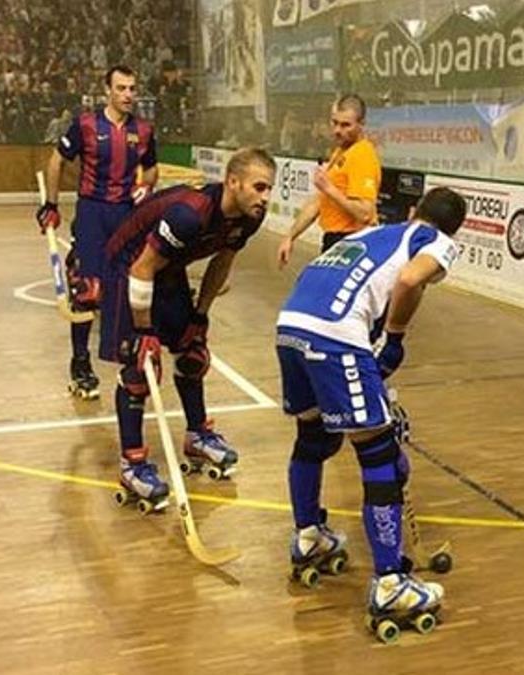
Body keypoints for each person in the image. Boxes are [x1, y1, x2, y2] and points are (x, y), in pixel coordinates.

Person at [274, 187, 466, 627]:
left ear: (414, 211)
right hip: (334, 334)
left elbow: (316, 275)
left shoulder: (373, 233)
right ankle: (390, 584)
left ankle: (309, 538)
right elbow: (409, 280)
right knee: (378, 453)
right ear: (456, 230)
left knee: (313, 437)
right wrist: (394, 338)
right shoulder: (435, 241)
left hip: (290, 325)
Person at [103, 147, 277, 511]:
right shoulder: (189, 215)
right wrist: (144, 332)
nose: (265, 197)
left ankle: (197, 434)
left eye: (269, 189)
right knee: (141, 367)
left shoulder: (247, 218)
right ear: (233, 182)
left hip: (168, 270)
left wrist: (200, 315)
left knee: (193, 352)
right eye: (259, 187)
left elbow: (222, 263)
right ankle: (132, 464)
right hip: (129, 268)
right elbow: (142, 267)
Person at [36, 65, 158, 400]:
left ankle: (126, 355)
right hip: (91, 212)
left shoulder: (143, 131)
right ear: (108, 90)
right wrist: (51, 204)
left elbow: (151, 168)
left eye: (132, 88)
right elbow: (56, 160)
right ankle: (80, 363)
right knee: (87, 290)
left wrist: (146, 186)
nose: (128, 95)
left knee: (123, 289)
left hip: (125, 214)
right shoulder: (86, 125)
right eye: (121, 88)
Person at [277, 94, 381, 266]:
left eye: (346, 125)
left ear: (361, 124)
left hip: (353, 244)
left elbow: (365, 213)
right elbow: (318, 201)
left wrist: (329, 189)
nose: (337, 130)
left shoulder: (362, 156)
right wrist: (290, 236)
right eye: (334, 123)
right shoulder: (341, 152)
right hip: (334, 241)